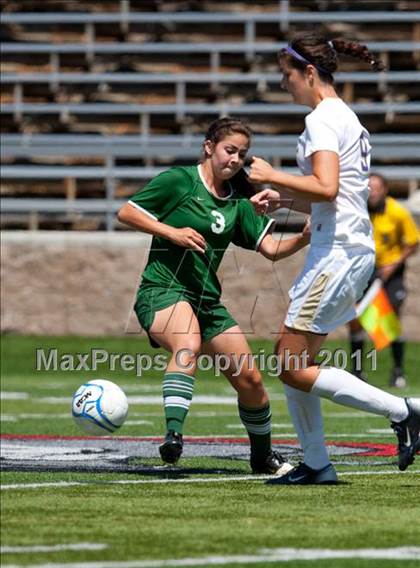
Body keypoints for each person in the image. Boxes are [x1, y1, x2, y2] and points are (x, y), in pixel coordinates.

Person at [248, 33, 420, 484]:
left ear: (308, 73)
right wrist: (282, 196)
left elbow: (325, 187)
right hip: (343, 247)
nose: (284, 84)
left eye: (286, 75)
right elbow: (335, 196)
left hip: (337, 253)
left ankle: (403, 411)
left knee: (288, 361)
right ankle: (318, 465)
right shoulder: (345, 116)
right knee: (297, 364)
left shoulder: (322, 119)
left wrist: (272, 174)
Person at [118, 117, 310, 474]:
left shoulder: (238, 201)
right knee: (186, 343)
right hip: (162, 290)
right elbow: (127, 212)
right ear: (209, 147)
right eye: (229, 150)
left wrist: (304, 236)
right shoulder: (180, 181)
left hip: (206, 302)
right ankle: (173, 435)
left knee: (251, 380)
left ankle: (262, 457)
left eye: (242, 153)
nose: (236, 159)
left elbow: (269, 247)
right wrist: (171, 232)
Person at [348, 173, 419, 387]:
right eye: (368, 187)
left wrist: (393, 265)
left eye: (376, 187)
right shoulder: (357, 211)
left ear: (385, 189)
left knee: (389, 319)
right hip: (364, 271)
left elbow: (413, 242)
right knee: (355, 318)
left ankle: (398, 372)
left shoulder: (397, 212)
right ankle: (357, 372)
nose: (372, 192)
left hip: (390, 275)